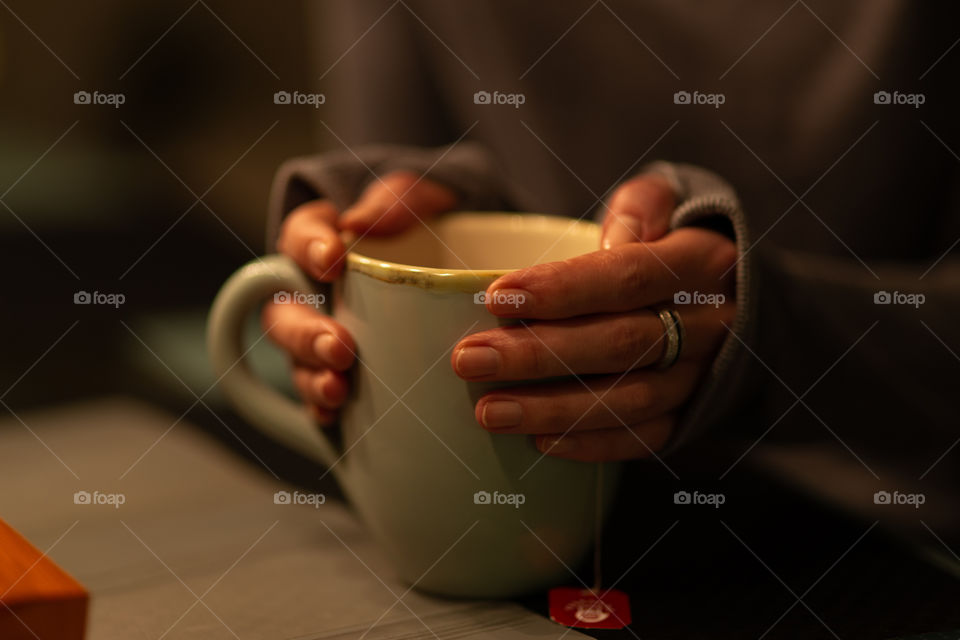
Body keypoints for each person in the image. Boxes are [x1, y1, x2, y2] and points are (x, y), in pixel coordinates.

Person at [260, 1, 958, 529]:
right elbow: (384, 181)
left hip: (891, 531)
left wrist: (770, 336)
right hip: (501, 514)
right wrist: (339, 284)